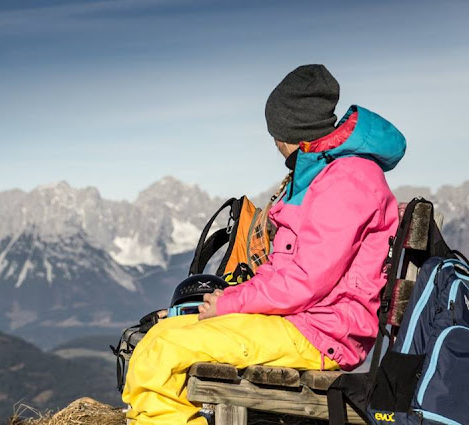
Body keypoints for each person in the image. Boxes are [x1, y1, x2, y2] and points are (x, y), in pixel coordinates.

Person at [122, 64, 406, 425]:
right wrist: (227, 301)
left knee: (162, 351)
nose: (274, 143)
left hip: (321, 334)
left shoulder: (346, 181)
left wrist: (230, 303)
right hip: (303, 322)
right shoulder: (321, 175)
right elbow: (284, 270)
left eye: (275, 133)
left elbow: (306, 280)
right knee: (160, 335)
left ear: (292, 131)